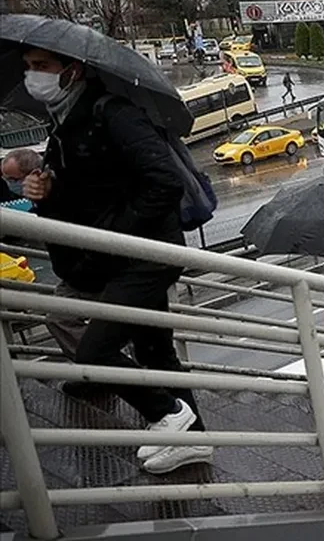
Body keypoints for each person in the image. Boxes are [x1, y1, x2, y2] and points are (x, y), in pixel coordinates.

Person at [19, 46, 209, 474]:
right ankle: (194, 440)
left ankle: (170, 414)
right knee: (156, 352)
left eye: (42, 67)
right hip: (122, 256)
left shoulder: (113, 113)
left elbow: (162, 181)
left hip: (146, 254)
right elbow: (83, 202)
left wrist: (116, 233)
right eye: (28, 68)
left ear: (72, 70)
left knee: (93, 352)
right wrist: (46, 196)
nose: (34, 77)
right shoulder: (63, 123)